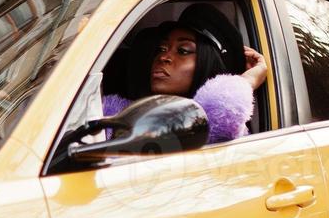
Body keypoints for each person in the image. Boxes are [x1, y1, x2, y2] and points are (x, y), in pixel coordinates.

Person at [102, 20, 268, 144]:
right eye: (161, 48)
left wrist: (248, 80)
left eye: (183, 51)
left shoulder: (221, 127)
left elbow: (222, 110)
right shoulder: (114, 113)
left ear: (208, 65)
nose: (164, 57)